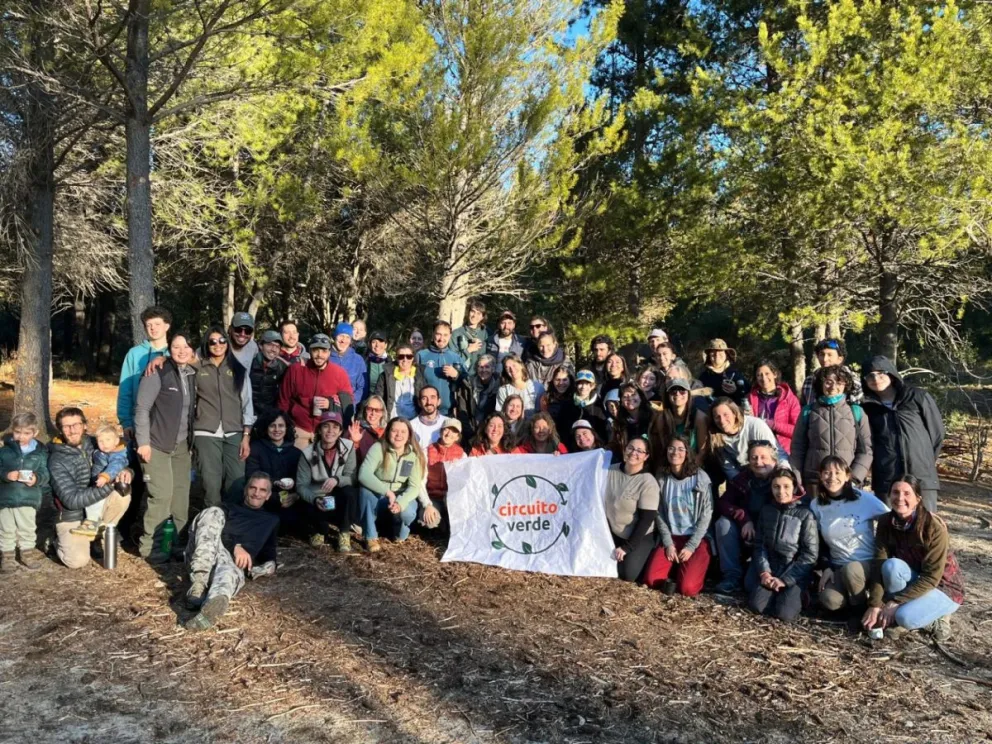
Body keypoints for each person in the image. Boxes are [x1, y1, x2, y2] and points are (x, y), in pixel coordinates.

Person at [862, 476, 964, 641]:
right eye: (895, 492)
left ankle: (939, 617)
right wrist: (874, 604)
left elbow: (931, 577)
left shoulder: (933, 527)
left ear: (918, 498)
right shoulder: (885, 522)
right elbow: (879, 563)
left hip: (942, 586)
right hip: (914, 578)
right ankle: (899, 614)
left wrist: (895, 601)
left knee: (905, 617)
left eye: (907, 493)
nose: (900, 498)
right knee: (891, 566)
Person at [184, 472, 279, 632]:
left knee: (229, 571)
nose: (256, 493)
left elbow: (268, 550)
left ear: (268, 495)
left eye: (262, 490)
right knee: (212, 512)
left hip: (232, 563)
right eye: (253, 488)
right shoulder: (226, 508)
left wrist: (270, 564)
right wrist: (235, 546)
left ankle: (211, 608)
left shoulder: (271, 520)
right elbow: (209, 531)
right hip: (205, 554)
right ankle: (199, 582)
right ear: (246, 490)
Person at [134, 332, 197, 561]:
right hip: (156, 444)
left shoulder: (191, 373)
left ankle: (176, 544)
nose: (181, 351)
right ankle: (150, 547)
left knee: (180, 497)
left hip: (181, 446)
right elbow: (142, 409)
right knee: (161, 496)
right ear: (169, 349)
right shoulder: (157, 372)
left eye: (186, 346)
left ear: (192, 350)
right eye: (176, 346)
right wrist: (143, 442)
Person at [49, 408, 133, 569]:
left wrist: (127, 472)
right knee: (77, 561)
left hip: (96, 509)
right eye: (66, 426)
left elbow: (119, 459)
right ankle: (56, 541)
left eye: (76, 424)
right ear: (60, 429)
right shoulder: (56, 459)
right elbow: (71, 501)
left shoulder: (98, 443)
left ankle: (99, 535)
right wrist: (109, 485)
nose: (72, 430)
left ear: (85, 425)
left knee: (123, 494)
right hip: (71, 515)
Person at [861, 356, 945, 512]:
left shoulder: (917, 397)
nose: (876, 379)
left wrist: (925, 460)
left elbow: (937, 434)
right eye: (870, 376)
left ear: (891, 374)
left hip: (922, 476)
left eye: (880, 373)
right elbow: (867, 442)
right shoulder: (867, 408)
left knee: (925, 522)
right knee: (890, 523)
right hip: (887, 478)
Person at [812, 457, 889, 614]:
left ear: (847, 476)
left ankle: (860, 611)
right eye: (827, 472)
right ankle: (857, 601)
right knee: (829, 599)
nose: (832, 477)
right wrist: (826, 567)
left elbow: (890, 518)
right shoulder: (816, 505)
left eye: (837, 472)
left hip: (867, 562)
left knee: (852, 570)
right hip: (838, 565)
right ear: (820, 476)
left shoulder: (864, 499)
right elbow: (818, 541)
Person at [642, 435, 712, 597]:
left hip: (696, 538)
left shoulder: (700, 478)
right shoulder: (662, 477)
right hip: (672, 537)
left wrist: (691, 546)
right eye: (671, 448)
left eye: (681, 449)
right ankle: (676, 567)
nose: (675, 452)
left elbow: (707, 514)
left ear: (687, 453)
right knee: (652, 581)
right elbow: (658, 512)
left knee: (687, 589)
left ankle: (691, 568)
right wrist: (668, 543)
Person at [713, 440, 787, 593]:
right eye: (754, 458)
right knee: (723, 524)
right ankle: (731, 576)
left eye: (763, 457)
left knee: (751, 586)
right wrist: (743, 518)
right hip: (746, 530)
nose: (758, 462)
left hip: (772, 535)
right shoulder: (743, 478)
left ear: (774, 460)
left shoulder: (783, 479)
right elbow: (724, 502)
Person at [194, 326, 255, 508]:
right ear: (206, 344)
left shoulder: (239, 369)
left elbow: (247, 403)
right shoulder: (197, 368)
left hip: (234, 431)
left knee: (236, 481)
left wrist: (246, 436)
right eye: (212, 341)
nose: (217, 344)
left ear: (227, 343)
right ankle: (211, 520)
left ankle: (232, 521)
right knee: (210, 483)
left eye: (221, 340)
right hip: (205, 431)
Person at [748, 467, 818, 622]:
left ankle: (803, 593)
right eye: (776, 487)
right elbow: (760, 545)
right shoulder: (766, 511)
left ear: (794, 488)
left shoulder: (805, 514)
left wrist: (786, 580)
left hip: (794, 572)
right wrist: (764, 572)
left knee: (784, 614)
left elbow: (810, 554)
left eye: (786, 486)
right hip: (772, 569)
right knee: (757, 606)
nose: (781, 492)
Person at [790, 365, 872, 497]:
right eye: (828, 382)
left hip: (846, 481)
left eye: (839, 382)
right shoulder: (808, 411)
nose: (833, 387)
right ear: (820, 384)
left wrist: (854, 477)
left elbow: (866, 450)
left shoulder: (856, 412)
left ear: (846, 385)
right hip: (815, 481)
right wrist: (797, 477)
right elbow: (797, 448)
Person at [358, 417, 432, 550]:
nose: (398, 435)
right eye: (394, 431)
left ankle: (399, 532)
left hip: (402, 494)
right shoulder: (378, 448)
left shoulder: (414, 455)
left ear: (409, 435)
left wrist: (400, 503)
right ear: (388, 432)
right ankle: (370, 536)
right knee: (365, 492)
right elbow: (364, 474)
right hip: (380, 493)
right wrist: (387, 492)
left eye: (403, 432)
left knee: (407, 514)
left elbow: (414, 487)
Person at [278, 333, 355, 450]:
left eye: (324, 351)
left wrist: (330, 403)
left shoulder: (339, 374)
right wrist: (285, 427)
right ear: (310, 351)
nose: (319, 355)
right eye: (315, 350)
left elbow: (348, 405)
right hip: (299, 429)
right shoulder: (296, 370)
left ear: (329, 352)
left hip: (327, 432)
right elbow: (283, 401)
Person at [296, 412, 360, 552]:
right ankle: (320, 530)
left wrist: (337, 479)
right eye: (326, 426)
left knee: (350, 492)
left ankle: (344, 532)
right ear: (319, 430)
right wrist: (315, 499)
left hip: (338, 495)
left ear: (340, 431)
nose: (331, 431)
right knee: (303, 503)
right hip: (318, 497)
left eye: (335, 427)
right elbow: (301, 485)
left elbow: (352, 477)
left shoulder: (348, 447)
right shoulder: (307, 453)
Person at [606, 436, 660, 583]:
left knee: (628, 574)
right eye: (630, 448)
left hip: (638, 535)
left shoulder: (647, 482)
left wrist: (627, 548)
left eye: (639, 451)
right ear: (625, 449)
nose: (633, 453)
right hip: (613, 531)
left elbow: (646, 520)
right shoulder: (610, 470)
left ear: (646, 456)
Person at [0, 413, 50, 572]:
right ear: (12, 431)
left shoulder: (39, 453)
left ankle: (27, 553)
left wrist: (36, 478)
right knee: (6, 528)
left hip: (28, 497)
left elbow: (45, 473)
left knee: (27, 527)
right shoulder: (5, 451)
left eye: (26, 433)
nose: (21, 437)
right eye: (17, 432)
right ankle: (7, 556)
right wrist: (6, 475)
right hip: (6, 498)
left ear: (35, 433)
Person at [117, 305, 171, 440]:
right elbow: (125, 390)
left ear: (167, 326)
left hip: (169, 422)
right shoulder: (134, 354)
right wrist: (126, 422)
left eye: (157, 324)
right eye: (149, 325)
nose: (153, 328)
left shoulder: (176, 353)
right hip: (140, 422)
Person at [244, 411, 303, 531]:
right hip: (263, 497)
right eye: (272, 425)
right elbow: (252, 475)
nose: (277, 430)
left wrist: (296, 495)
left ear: (286, 428)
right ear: (266, 428)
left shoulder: (296, 453)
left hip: (289, 499)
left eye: (281, 426)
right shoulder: (255, 448)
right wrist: (275, 484)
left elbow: (302, 480)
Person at [702, 398, 784, 485]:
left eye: (726, 414)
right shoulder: (716, 437)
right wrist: (743, 486)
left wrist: (783, 475)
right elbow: (729, 468)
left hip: (769, 474)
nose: (722, 420)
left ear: (734, 413)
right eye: (717, 417)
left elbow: (778, 453)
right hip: (742, 479)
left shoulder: (755, 426)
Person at [70, 424, 129, 539]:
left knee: (95, 501)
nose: (104, 444)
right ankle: (96, 526)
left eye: (108, 440)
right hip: (97, 481)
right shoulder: (100, 452)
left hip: (106, 483)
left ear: (116, 441)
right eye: (100, 441)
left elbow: (115, 466)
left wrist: (105, 476)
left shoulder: (117, 454)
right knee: (93, 500)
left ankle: (91, 523)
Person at [747, 360, 800, 455]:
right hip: (757, 450)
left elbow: (797, 431)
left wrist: (774, 425)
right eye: (759, 375)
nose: (764, 378)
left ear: (775, 374)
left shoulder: (790, 399)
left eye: (767, 373)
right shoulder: (750, 398)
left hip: (782, 450)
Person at [415, 321, 463, 416]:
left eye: (445, 335)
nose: (441, 339)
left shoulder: (455, 357)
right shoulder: (421, 355)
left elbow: (466, 383)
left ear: (450, 336)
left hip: (448, 413)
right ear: (433, 334)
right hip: (425, 411)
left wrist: (456, 375)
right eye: (438, 334)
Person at [425, 418, 466, 527]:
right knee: (431, 522)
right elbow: (420, 480)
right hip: (432, 496)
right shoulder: (428, 450)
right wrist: (427, 504)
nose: (449, 434)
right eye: (446, 429)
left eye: (454, 431)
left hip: (451, 497)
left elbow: (465, 480)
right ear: (441, 432)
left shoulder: (462, 454)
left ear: (457, 437)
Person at [801, 338, 863, 406]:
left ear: (840, 359)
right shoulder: (810, 380)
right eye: (822, 354)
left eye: (830, 355)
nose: (825, 359)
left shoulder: (854, 382)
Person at [554, 369, 609, 444]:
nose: (583, 387)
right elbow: (561, 427)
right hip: (572, 445)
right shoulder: (567, 404)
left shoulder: (599, 405)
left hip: (594, 445)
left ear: (592, 386)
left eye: (587, 384)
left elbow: (603, 428)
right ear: (576, 385)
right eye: (580, 383)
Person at [649, 378, 697, 455]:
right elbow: (661, 446)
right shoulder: (661, 418)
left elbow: (703, 451)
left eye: (682, 391)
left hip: (693, 459)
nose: (677, 394)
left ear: (688, 394)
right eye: (673, 391)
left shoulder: (698, 417)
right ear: (667, 395)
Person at [455, 353, 499, 436]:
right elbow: (462, 410)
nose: (483, 370)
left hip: (491, 431)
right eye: (480, 367)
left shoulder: (499, 387)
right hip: (471, 428)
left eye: (487, 367)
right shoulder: (468, 384)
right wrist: (469, 432)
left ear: (493, 369)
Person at [698, 339, 749, 410]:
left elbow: (747, 395)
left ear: (726, 355)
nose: (716, 354)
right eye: (713, 352)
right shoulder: (703, 377)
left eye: (720, 351)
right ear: (708, 355)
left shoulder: (736, 374)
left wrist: (736, 390)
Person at [249, 330, 289, 419]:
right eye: (270, 345)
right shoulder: (250, 363)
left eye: (277, 346)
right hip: (249, 413)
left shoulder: (282, 367)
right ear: (260, 345)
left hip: (270, 415)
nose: (273, 349)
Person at [376, 343, 420, 420]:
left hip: (414, 420)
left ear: (413, 358)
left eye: (409, 356)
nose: (405, 360)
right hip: (392, 419)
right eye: (401, 356)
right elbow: (378, 397)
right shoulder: (385, 375)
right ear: (396, 358)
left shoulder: (420, 375)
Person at [609, 383, 653, 459]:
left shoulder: (654, 417)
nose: (629, 398)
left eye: (633, 395)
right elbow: (614, 445)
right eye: (625, 397)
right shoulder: (618, 423)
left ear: (641, 397)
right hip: (630, 460)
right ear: (621, 402)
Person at [329, 322, 368, 403]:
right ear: (335, 336)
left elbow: (362, 387)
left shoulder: (358, 360)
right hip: (327, 405)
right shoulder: (325, 357)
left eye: (347, 337)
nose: (343, 340)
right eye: (341, 336)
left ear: (351, 340)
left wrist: (349, 402)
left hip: (350, 406)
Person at [497, 355, 545, 419]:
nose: (512, 369)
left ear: (521, 365)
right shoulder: (503, 390)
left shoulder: (538, 387)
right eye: (507, 368)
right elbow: (501, 414)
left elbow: (543, 413)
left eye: (514, 365)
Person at [450, 300, 489, 376]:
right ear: (468, 312)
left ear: (482, 317)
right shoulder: (456, 333)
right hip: (460, 376)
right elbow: (452, 358)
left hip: (481, 376)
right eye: (472, 311)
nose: (474, 315)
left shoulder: (486, 333)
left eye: (479, 313)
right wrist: (468, 350)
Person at [347, 396, 387, 460]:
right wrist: (355, 442)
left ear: (382, 413)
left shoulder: (387, 432)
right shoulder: (357, 430)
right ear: (365, 410)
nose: (373, 413)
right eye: (370, 409)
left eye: (377, 410)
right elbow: (351, 459)